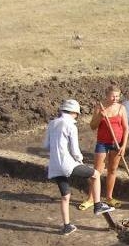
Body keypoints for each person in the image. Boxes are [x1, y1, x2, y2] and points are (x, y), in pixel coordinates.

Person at [44, 99, 114, 235]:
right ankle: (98, 205)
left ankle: (67, 226)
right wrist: (79, 160)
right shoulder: (70, 125)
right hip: (67, 164)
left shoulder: (52, 124)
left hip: (54, 166)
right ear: (75, 113)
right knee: (96, 174)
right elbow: (75, 150)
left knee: (65, 196)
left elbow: (46, 146)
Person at [80, 84, 129, 210]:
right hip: (102, 143)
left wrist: (123, 145)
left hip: (116, 143)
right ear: (107, 96)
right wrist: (100, 116)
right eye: (113, 96)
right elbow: (93, 126)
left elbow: (126, 128)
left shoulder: (121, 108)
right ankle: (91, 199)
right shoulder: (100, 107)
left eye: (117, 96)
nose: (115, 99)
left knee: (112, 170)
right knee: (96, 171)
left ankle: (109, 197)